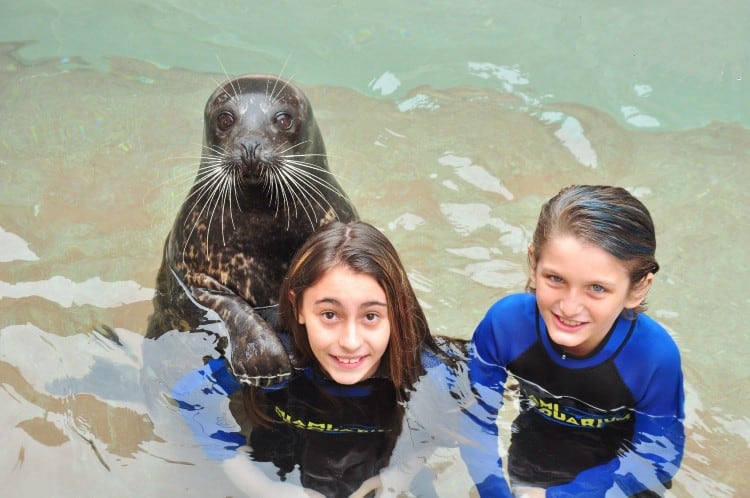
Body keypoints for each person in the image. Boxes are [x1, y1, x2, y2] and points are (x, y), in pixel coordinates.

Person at [171, 221, 462, 498]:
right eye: (329, 315)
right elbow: (193, 395)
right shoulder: (274, 359)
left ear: (396, 312)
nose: (350, 342)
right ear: (298, 307)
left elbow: (442, 422)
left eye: (371, 316)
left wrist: (400, 475)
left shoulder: (428, 372)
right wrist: (257, 484)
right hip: (281, 473)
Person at [460, 185, 685, 497]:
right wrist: (493, 490)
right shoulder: (506, 326)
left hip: (623, 468)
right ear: (533, 262)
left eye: (596, 288)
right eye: (555, 279)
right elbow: (475, 418)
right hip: (537, 442)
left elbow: (657, 457)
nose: (569, 306)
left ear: (637, 289)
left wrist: (563, 495)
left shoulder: (653, 356)